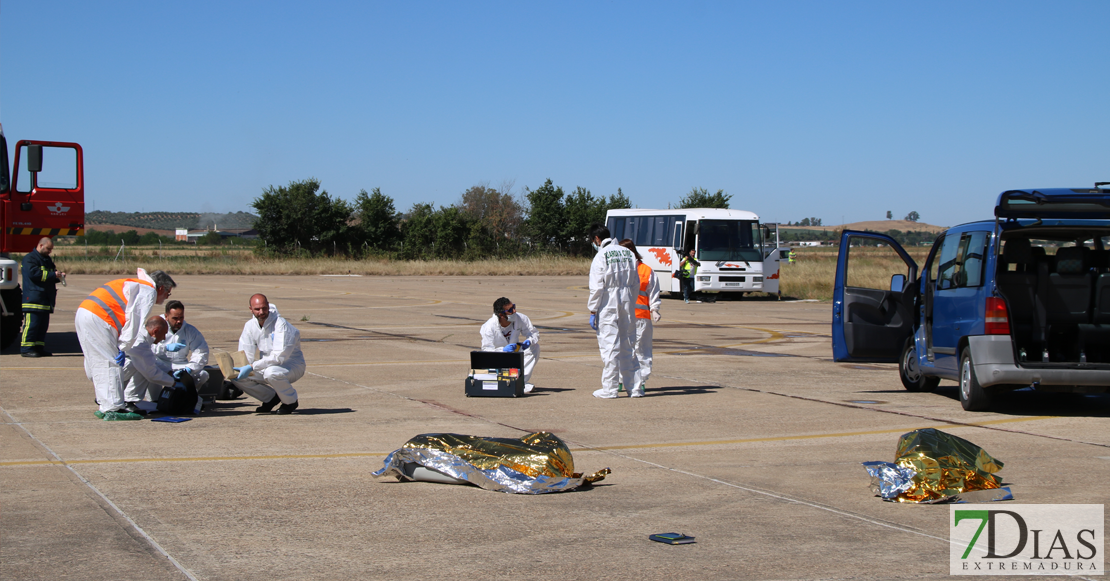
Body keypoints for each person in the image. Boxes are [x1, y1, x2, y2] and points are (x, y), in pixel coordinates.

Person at [75, 268, 176, 421]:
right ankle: (113, 408)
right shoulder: (148, 291)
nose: (166, 297)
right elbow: (135, 320)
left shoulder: (138, 284)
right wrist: (123, 346)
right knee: (111, 363)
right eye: (168, 293)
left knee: (98, 361)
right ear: (161, 288)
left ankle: (105, 403)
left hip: (85, 313)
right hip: (100, 317)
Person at [587, 223, 641, 399]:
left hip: (608, 303)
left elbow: (596, 288)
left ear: (597, 239)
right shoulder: (628, 253)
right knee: (629, 345)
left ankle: (610, 389)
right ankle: (634, 388)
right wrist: (630, 303)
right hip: (626, 301)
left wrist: (593, 310)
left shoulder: (601, 256)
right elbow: (635, 283)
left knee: (609, 345)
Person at [229, 294, 304, 414]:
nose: (261, 312)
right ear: (251, 309)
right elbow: (245, 351)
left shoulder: (281, 324)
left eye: (264, 308)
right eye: (257, 309)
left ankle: (290, 402)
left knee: (271, 373)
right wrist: (241, 366)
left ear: (268, 306)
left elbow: (279, 357)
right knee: (236, 376)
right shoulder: (250, 325)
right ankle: (270, 398)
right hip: (266, 365)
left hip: (291, 366)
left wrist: (252, 367)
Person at [126, 300, 210, 403]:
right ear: (166, 316)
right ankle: (150, 400)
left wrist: (189, 369)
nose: (178, 321)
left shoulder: (190, 331)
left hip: (181, 366)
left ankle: (183, 398)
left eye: (181, 318)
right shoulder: (156, 326)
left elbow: (201, 352)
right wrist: (165, 348)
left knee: (203, 375)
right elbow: (146, 350)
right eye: (175, 318)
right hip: (159, 363)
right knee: (147, 369)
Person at [619, 239, 661, 393]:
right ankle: (620, 379)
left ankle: (641, 379)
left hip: (641, 316)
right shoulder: (619, 269)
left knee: (641, 349)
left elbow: (653, 291)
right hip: (623, 316)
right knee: (621, 348)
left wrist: (654, 308)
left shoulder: (646, 270)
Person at [120, 316, 181, 415]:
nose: (164, 338)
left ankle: (110, 395)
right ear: (155, 331)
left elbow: (152, 359)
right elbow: (151, 372)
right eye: (164, 334)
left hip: (115, 371)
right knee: (141, 367)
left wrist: (168, 372)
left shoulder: (142, 336)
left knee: (142, 364)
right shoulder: (140, 343)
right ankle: (127, 401)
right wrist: (173, 383)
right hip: (109, 372)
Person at [480, 297, 540, 393]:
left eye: (514, 307)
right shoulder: (489, 327)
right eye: (510, 310)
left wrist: (529, 341)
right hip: (497, 359)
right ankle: (506, 381)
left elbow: (534, 333)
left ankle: (520, 382)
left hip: (514, 355)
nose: (515, 311)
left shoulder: (520, 318)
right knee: (493, 378)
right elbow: (486, 350)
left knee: (535, 347)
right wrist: (502, 350)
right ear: (501, 315)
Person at [20, 237, 65, 357]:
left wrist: (58, 276)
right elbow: (34, 274)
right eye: (48, 249)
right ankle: (26, 348)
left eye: (51, 249)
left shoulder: (47, 260)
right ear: (40, 245)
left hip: (45, 298)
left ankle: (38, 348)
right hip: (33, 298)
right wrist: (52, 275)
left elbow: (50, 275)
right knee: (32, 325)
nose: (50, 251)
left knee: (42, 326)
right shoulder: (29, 259)